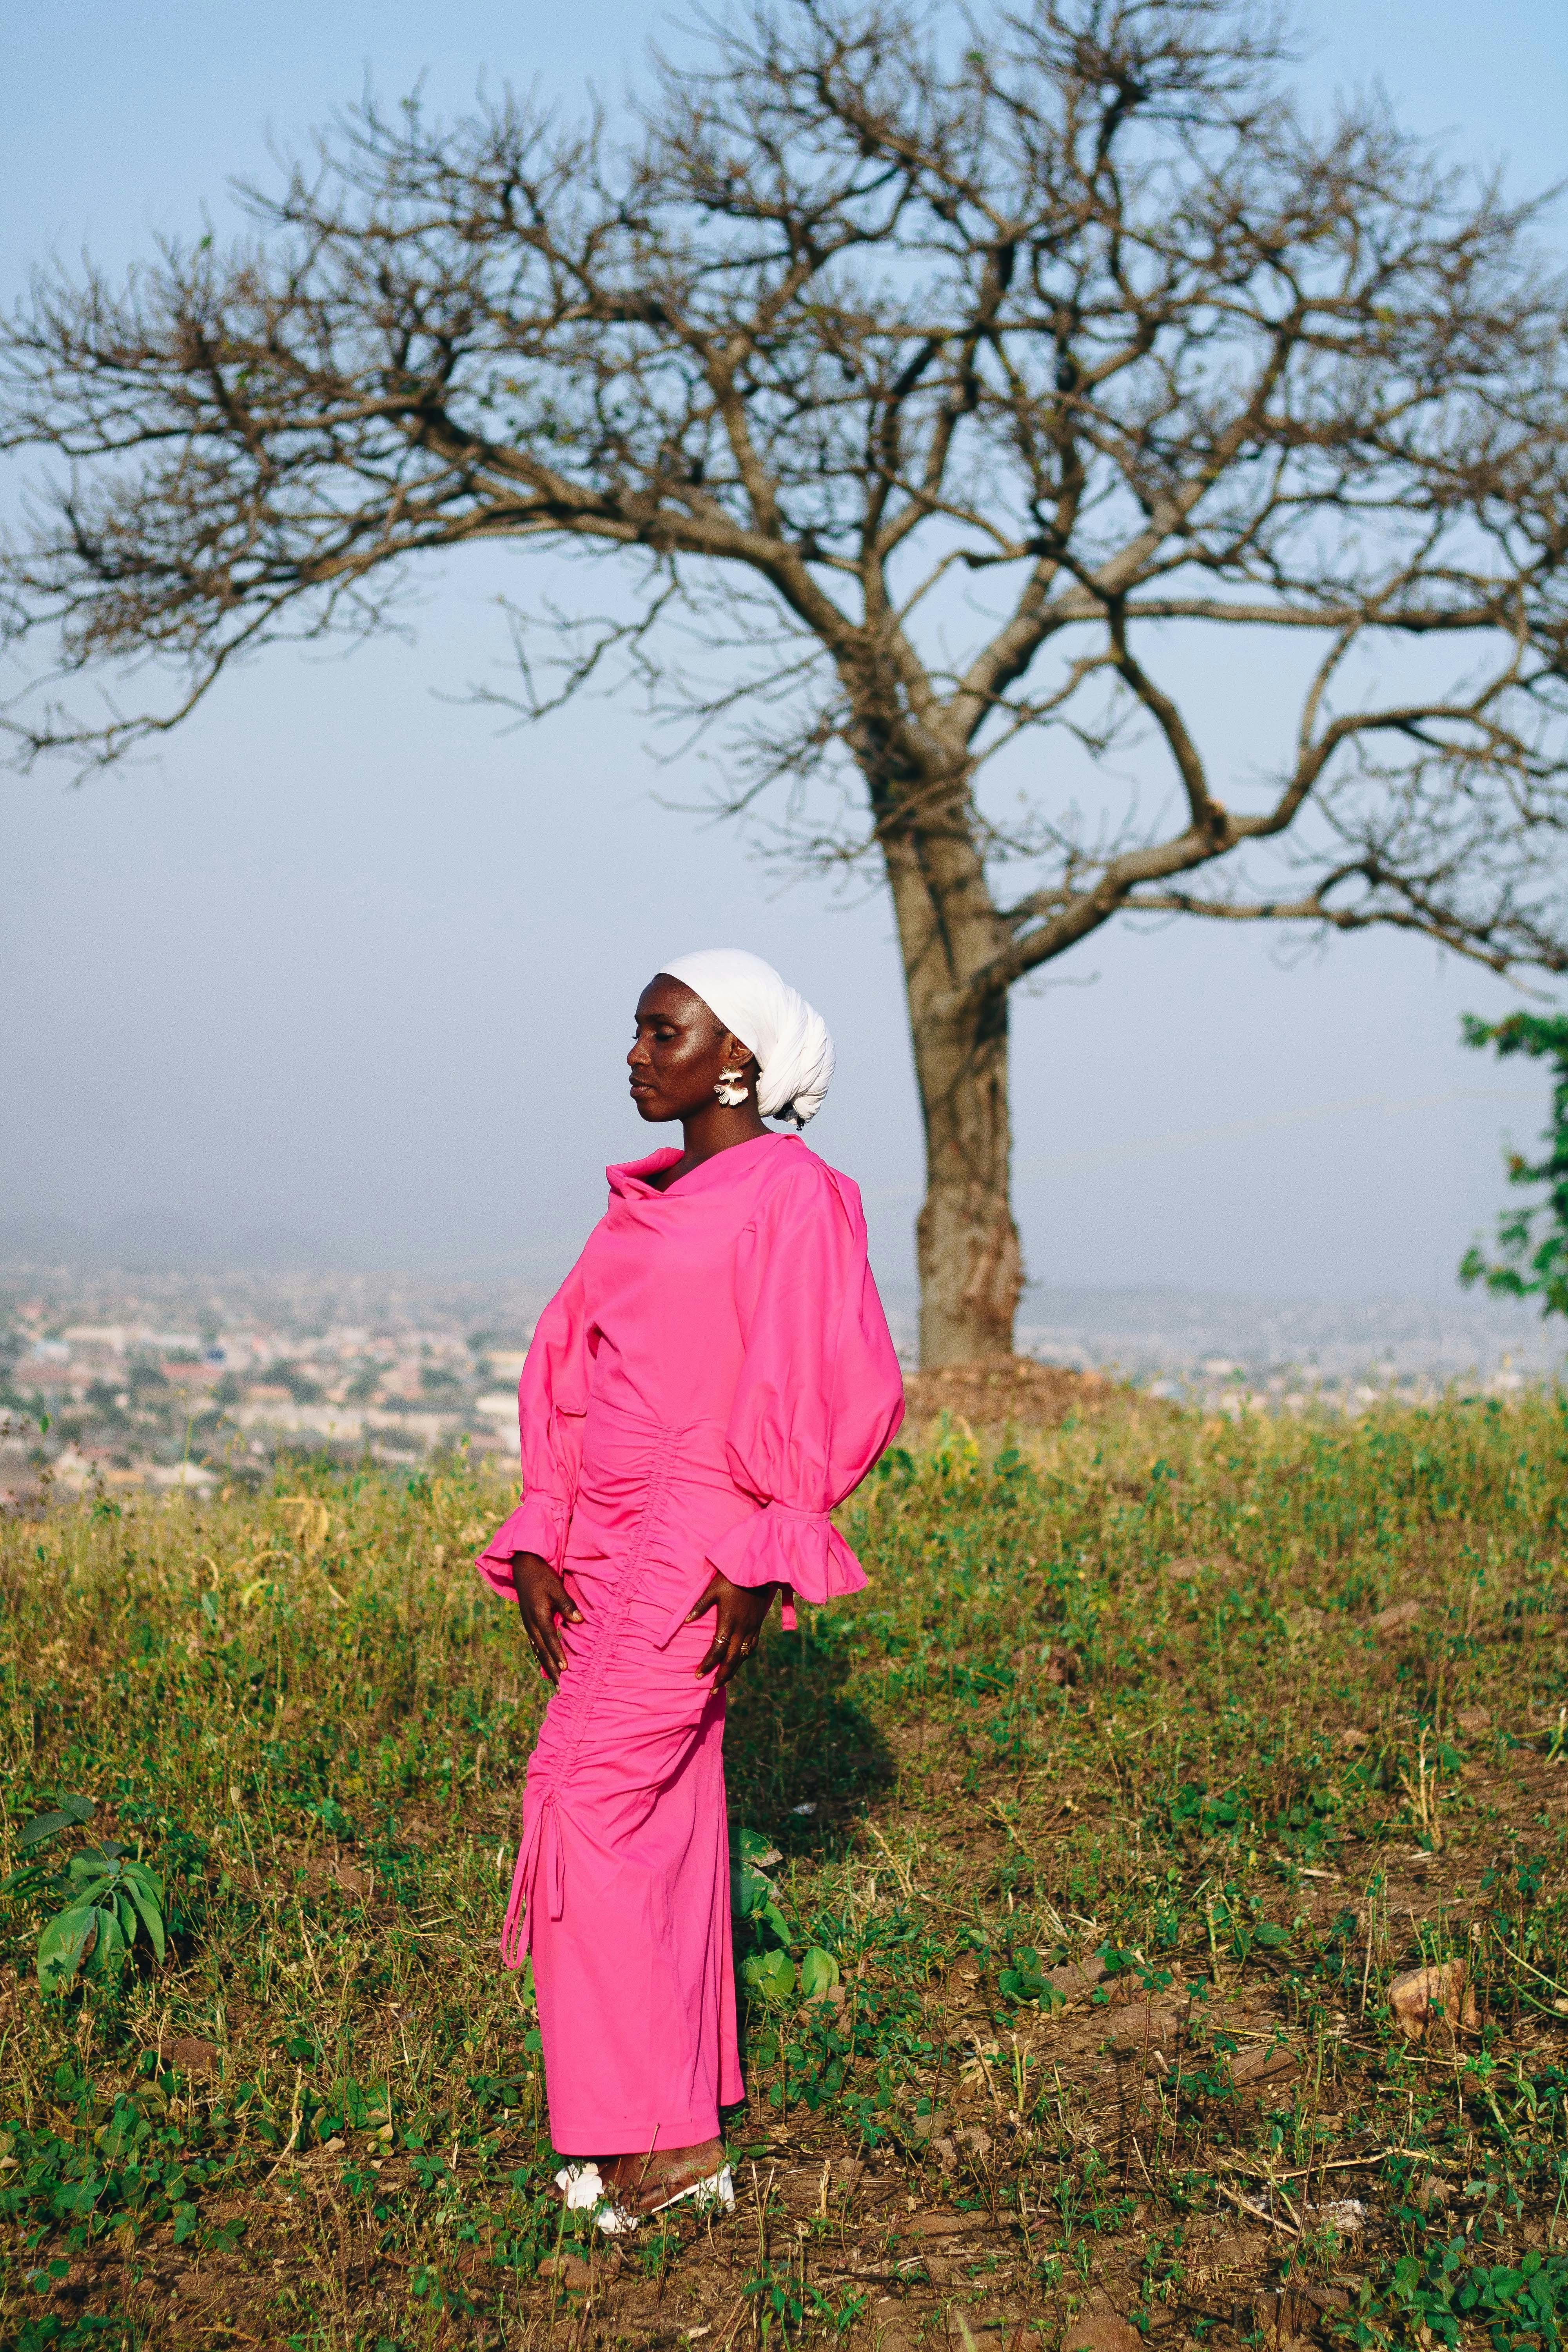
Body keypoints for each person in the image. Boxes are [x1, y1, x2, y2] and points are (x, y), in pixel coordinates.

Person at [473, 948, 904, 2228]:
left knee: (583, 1803)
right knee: (654, 1823)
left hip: (693, 1547)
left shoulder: (796, 1197)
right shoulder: (643, 1203)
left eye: (665, 1034)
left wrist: (768, 1547)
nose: (636, 1054)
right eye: (638, 1032)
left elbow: (835, 1378)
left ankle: (651, 2142)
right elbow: (573, 1366)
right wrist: (544, 1526)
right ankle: (671, 2131)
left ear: (739, 1060)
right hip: (603, 1543)